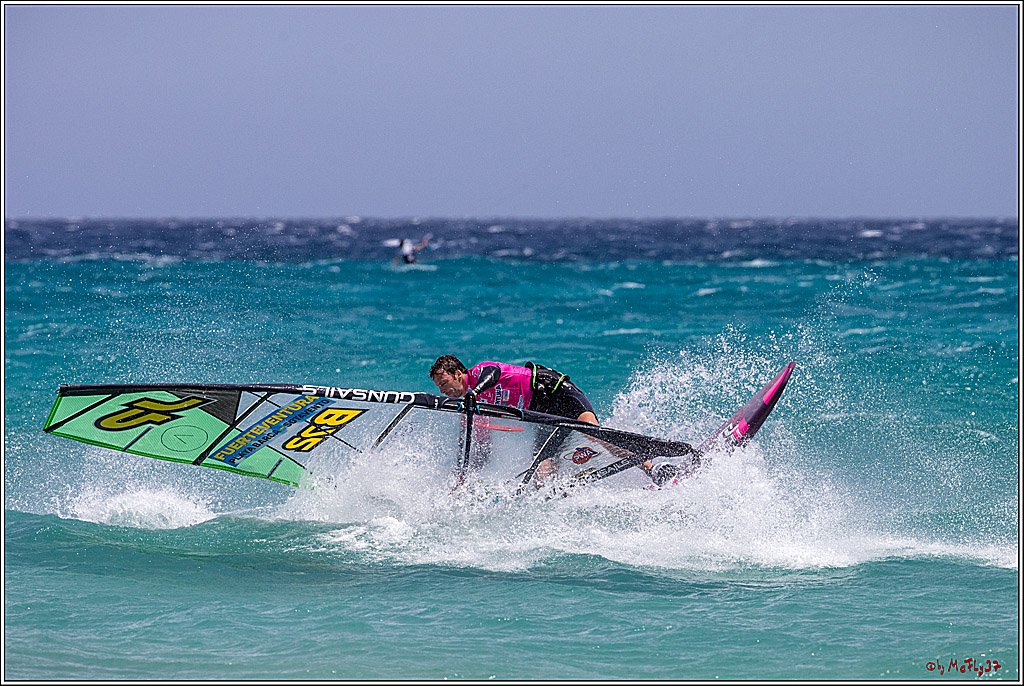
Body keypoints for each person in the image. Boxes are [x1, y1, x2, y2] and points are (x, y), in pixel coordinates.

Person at [429, 355, 599, 488]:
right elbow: (480, 447)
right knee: (541, 475)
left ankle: (623, 449)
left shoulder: (478, 374)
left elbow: (493, 372)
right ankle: (558, 503)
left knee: (591, 430)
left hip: (554, 390)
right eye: (438, 387)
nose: (442, 390)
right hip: (545, 415)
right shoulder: (472, 408)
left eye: (444, 383)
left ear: (458, 374)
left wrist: (474, 392)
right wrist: (464, 473)